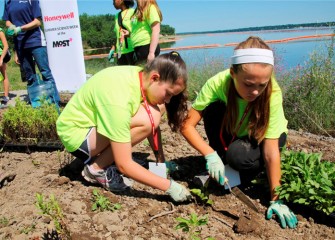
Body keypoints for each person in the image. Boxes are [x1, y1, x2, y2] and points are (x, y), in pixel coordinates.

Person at [181, 36, 298, 229]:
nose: (255, 92)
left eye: (262, 85)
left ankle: (238, 170)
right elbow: (187, 125)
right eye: (248, 84)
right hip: (236, 132)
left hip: (263, 139)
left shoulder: (272, 94)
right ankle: (222, 160)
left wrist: (276, 199)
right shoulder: (217, 83)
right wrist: (210, 154)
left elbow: (270, 151)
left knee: (238, 156)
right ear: (232, 73)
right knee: (212, 108)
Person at [56, 51, 191, 202]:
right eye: (168, 93)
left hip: (92, 126)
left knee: (156, 111)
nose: (168, 100)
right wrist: (170, 186)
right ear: (155, 77)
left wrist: (161, 162)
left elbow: (153, 125)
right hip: (77, 135)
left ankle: (105, 158)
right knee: (148, 118)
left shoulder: (141, 76)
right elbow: (124, 165)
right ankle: (96, 169)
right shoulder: (119, 99)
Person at [2, 0, 60, 103]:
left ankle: (55, 102)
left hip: (35, 40)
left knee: (45, 72)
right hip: (20, 44)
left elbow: (37, 21)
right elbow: (7, 20)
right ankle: (36, 101)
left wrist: (21, 28)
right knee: (29, 75)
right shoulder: (8, 2)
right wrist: (12, 26)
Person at [130, 0, 162, 64]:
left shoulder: (150, 7)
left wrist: (151, 53)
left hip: (147, 47)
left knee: (149, 73)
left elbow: (156, 30)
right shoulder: (137, 10)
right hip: (138, 48)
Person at [113, 0, 136, 65]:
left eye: (114, 0)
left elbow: (137, 30)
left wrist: (129, 33)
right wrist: (113, 48)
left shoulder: (133, 12)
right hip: (120, 52)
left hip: (132, 49)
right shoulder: (117, 16)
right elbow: (117, 34)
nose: (113, 3)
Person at [0, 26, 10, 106]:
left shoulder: (0, 31)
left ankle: (6, 96)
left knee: (4, 76)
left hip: (0, 56)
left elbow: (6, 46)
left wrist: (1, 59)